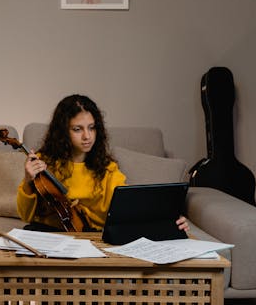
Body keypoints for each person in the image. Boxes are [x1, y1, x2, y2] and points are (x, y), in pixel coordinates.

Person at [17, 94, 190, 234]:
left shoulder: (107, 169)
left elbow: (128, 210)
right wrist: (28, 181)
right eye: (78, 129)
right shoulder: (43, 163)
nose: (87, 136)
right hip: (49, 235)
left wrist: (167, 221)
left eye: (92, 128)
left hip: (91, 236)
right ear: (62, 132)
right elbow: (25, 215)